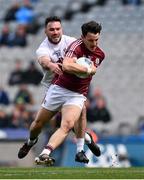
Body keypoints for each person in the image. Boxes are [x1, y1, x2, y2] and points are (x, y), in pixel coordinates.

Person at [18, 17, 104, 165]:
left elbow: (85, 65)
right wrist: (51, 66)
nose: (55, 32)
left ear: (62, 29)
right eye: (51, 29)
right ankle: (31, 141)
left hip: (76, 92)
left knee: (71, 120)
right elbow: (45, 61)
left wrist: (85, 69)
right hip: (55, 87)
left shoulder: (71, 41)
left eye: (58, 29)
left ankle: (69, 151)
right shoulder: (43, 48)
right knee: (38, 124)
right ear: (45, 31)